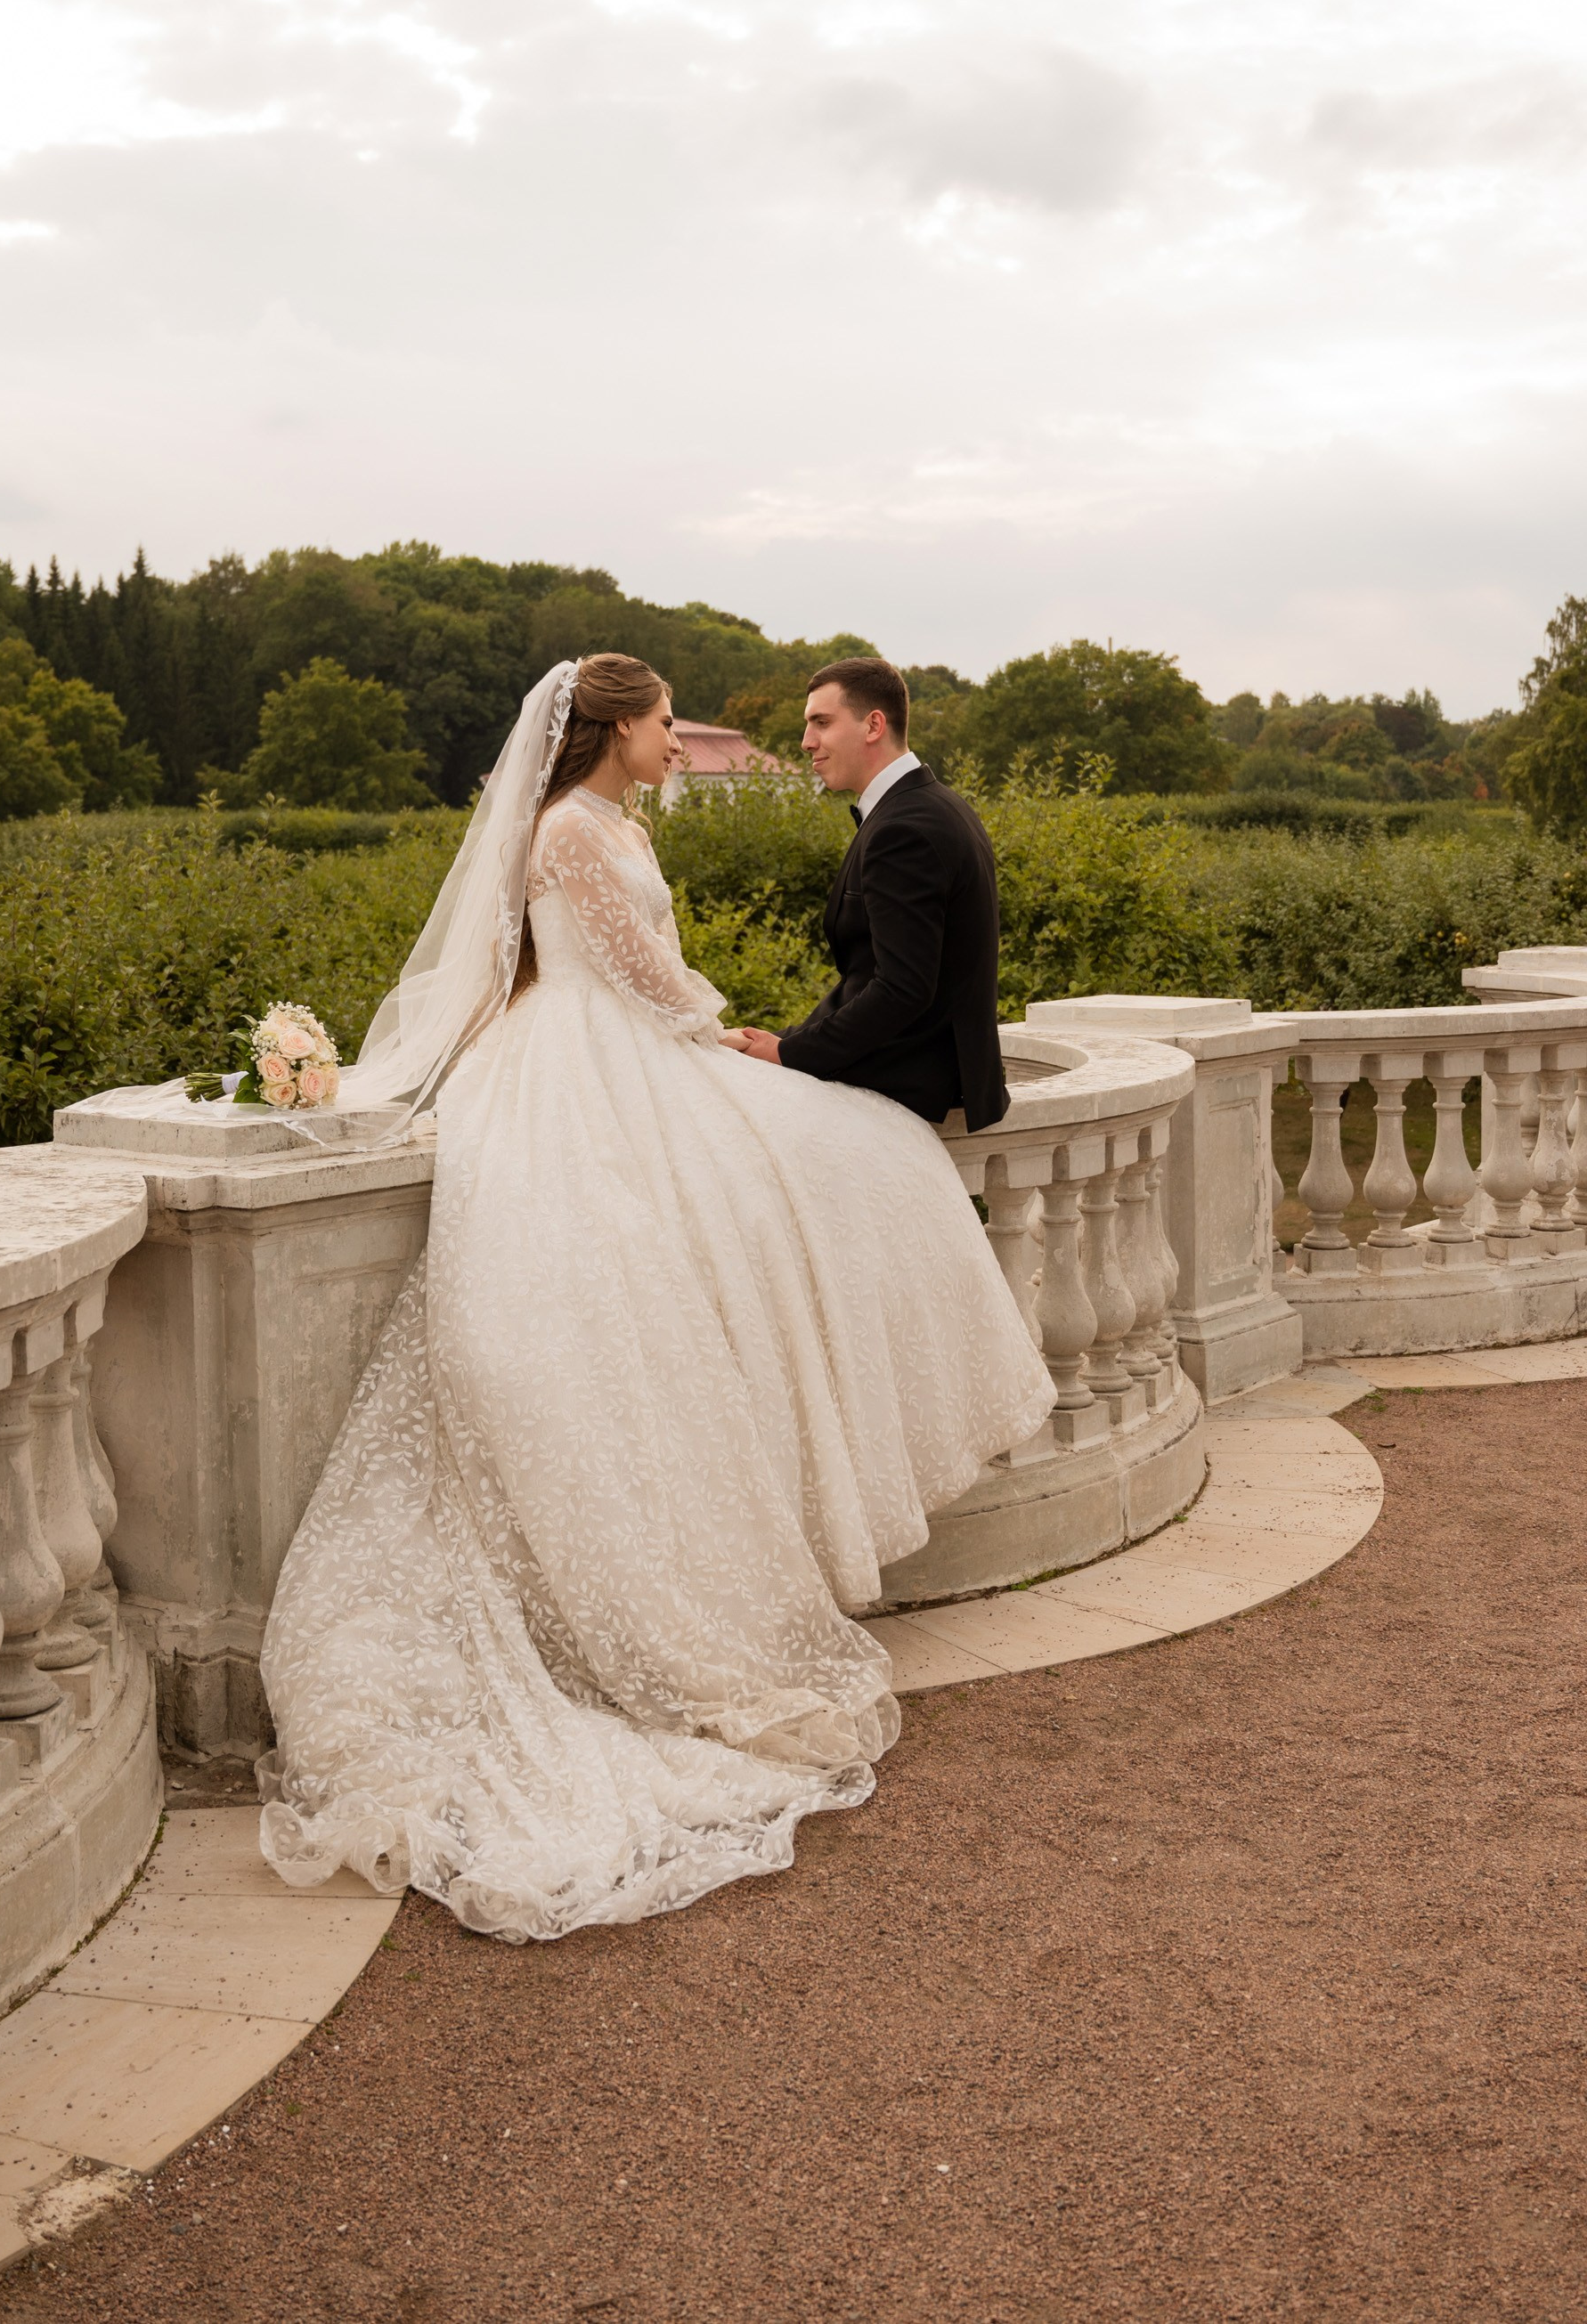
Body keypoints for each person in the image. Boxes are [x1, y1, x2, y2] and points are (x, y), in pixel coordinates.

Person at [257, 654, 1054, 1943]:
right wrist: (729, 1031)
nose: (682, 741)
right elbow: (630, 974)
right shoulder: (570, 828)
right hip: (588, 1068)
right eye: (667, 721)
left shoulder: (607, 821)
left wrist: (739, 1037)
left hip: (610, 1054)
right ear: (614, 729)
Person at [725, 656, 1006, 1130]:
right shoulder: (932, 804)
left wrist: (788, 1051)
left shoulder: (906, 828)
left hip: (913, 1085)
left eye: (821, 722)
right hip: (904, 1066)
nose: (806, 741)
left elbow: (902, 990)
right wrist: (787, 1039)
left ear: (874, 724)